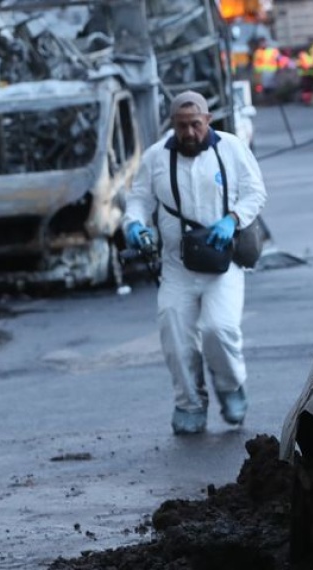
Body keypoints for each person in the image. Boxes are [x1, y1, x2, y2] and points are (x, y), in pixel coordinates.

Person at [121, 91, 267, 435]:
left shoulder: (230, 148)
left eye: (195, 125)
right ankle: (189, 403)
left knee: (219, 330)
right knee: (175, 335)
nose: (188, 133)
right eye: (182, 126)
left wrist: (233, 218)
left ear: (208, 121)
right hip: (176, 266)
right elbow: (139, 199)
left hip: (224, 262)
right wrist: (135, 225)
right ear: (173, 125)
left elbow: (255, 191)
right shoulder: (156, 157)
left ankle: (231, 388)